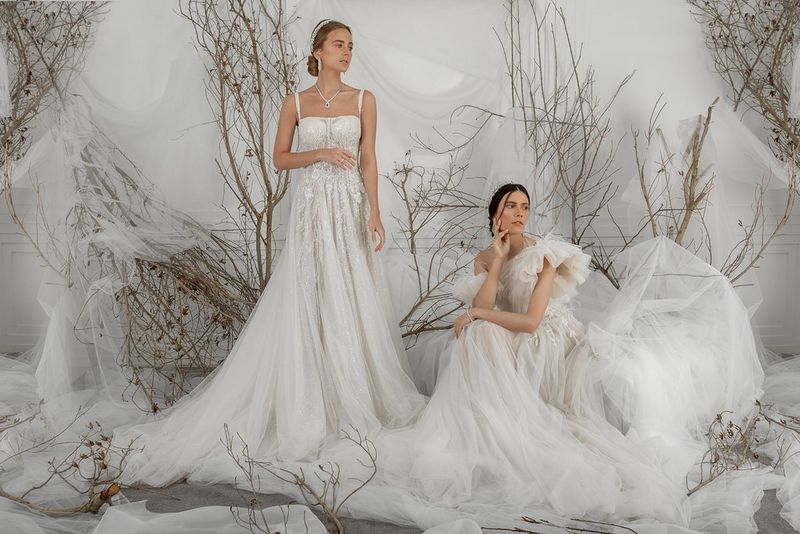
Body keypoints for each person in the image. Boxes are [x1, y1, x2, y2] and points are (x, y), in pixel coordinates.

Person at [116, 19, 425, 487]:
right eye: (339, 45)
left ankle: (354, 394)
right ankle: (311, 398)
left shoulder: (364, 100)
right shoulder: (295, 102)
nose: (347, 52)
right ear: (318, 51)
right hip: (310, 207)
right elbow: (280, 158)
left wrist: (376, 212)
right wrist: (318, 154)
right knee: (311, 291)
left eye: (350, 46)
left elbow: (369, 159)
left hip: (349, 205)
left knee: (352, 290)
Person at [403, 183, 688, 523]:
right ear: (495, 214)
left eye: (525, 206)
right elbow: (482, 304)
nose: (520, 213)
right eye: (511, 206)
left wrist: (478, 314)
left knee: (479, 327)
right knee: (478, 335)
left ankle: (513, 422)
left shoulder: (545, 253)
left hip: (547, 335)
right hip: (508, 329)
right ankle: (496, 422)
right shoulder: (484, 258)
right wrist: (494, 264)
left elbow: (531, 321)